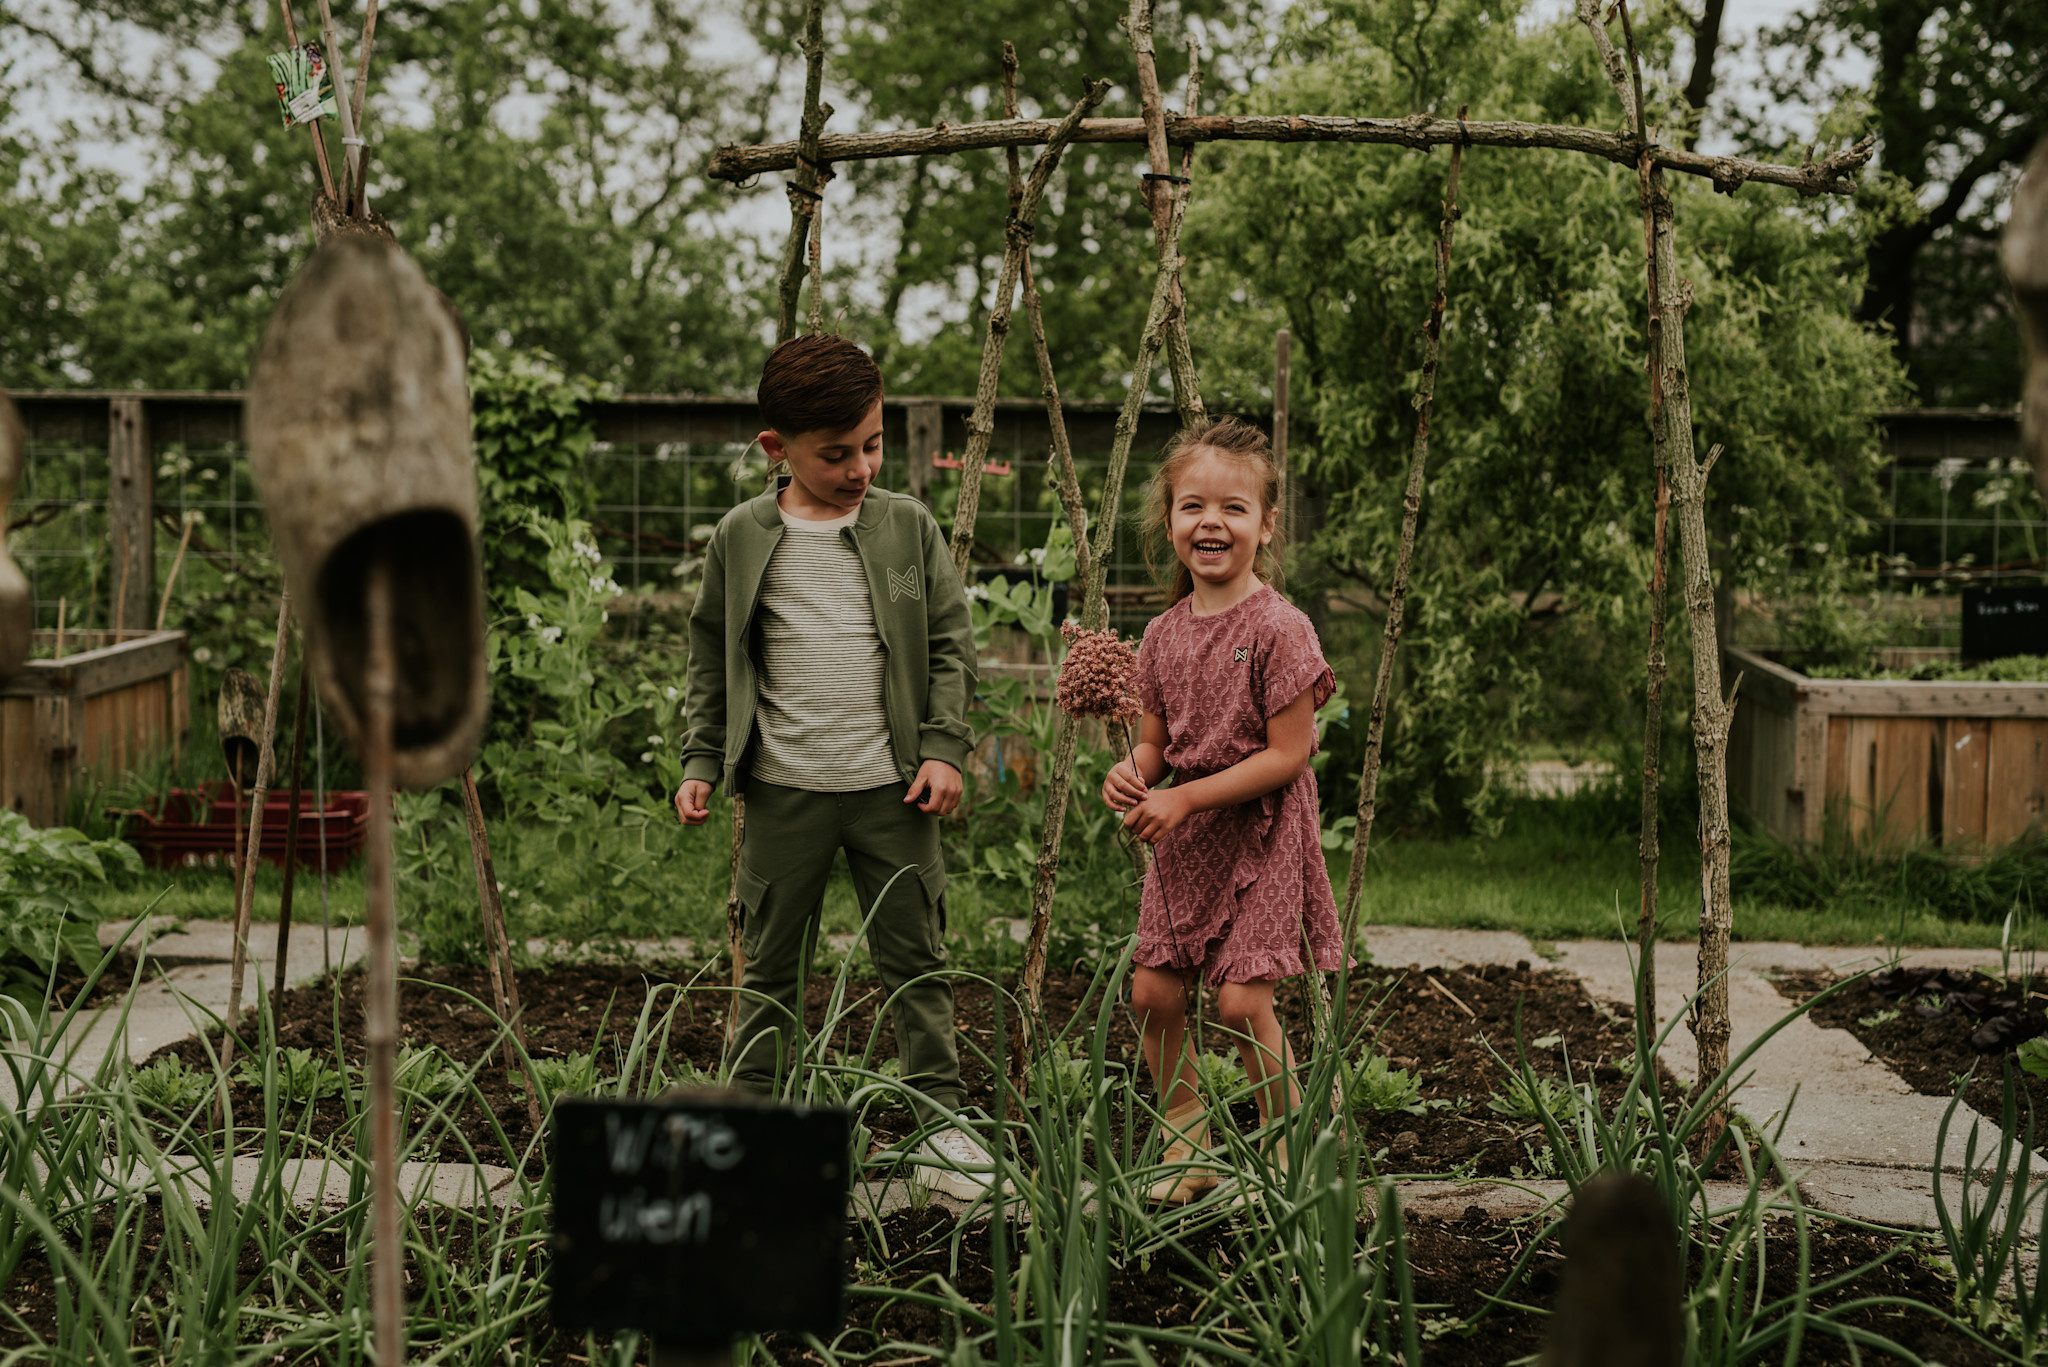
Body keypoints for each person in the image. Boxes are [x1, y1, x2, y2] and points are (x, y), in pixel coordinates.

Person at [675, 333, 997, 1198]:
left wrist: (944, 746)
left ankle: (943, 1126)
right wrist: (703, 756)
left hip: (894, 792)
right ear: (776, 449)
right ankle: (751, 1129)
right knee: (770, 968)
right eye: (836, 453)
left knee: (916, 961)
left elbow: (951, 646)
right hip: (784, 793)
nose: (860, 466)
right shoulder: (741, 537)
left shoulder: (908, 527)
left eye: (874, 443)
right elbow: (713, 654)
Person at [1099, 415, 1345, 1204]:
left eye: (1235, 508)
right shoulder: (1162, 635)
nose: (1212, 522)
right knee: (1152, 993)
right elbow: (1154, 744)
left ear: (1266, 525)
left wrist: (1182, 795)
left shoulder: (1281, 627)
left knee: (1241, 1003)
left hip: (1264, 829)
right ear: (1168, 519)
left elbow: (1288, 755)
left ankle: (1287, 1140)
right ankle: (1183, 1131)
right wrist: (1131, 776)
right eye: (1193, 505)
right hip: (1184, 829)